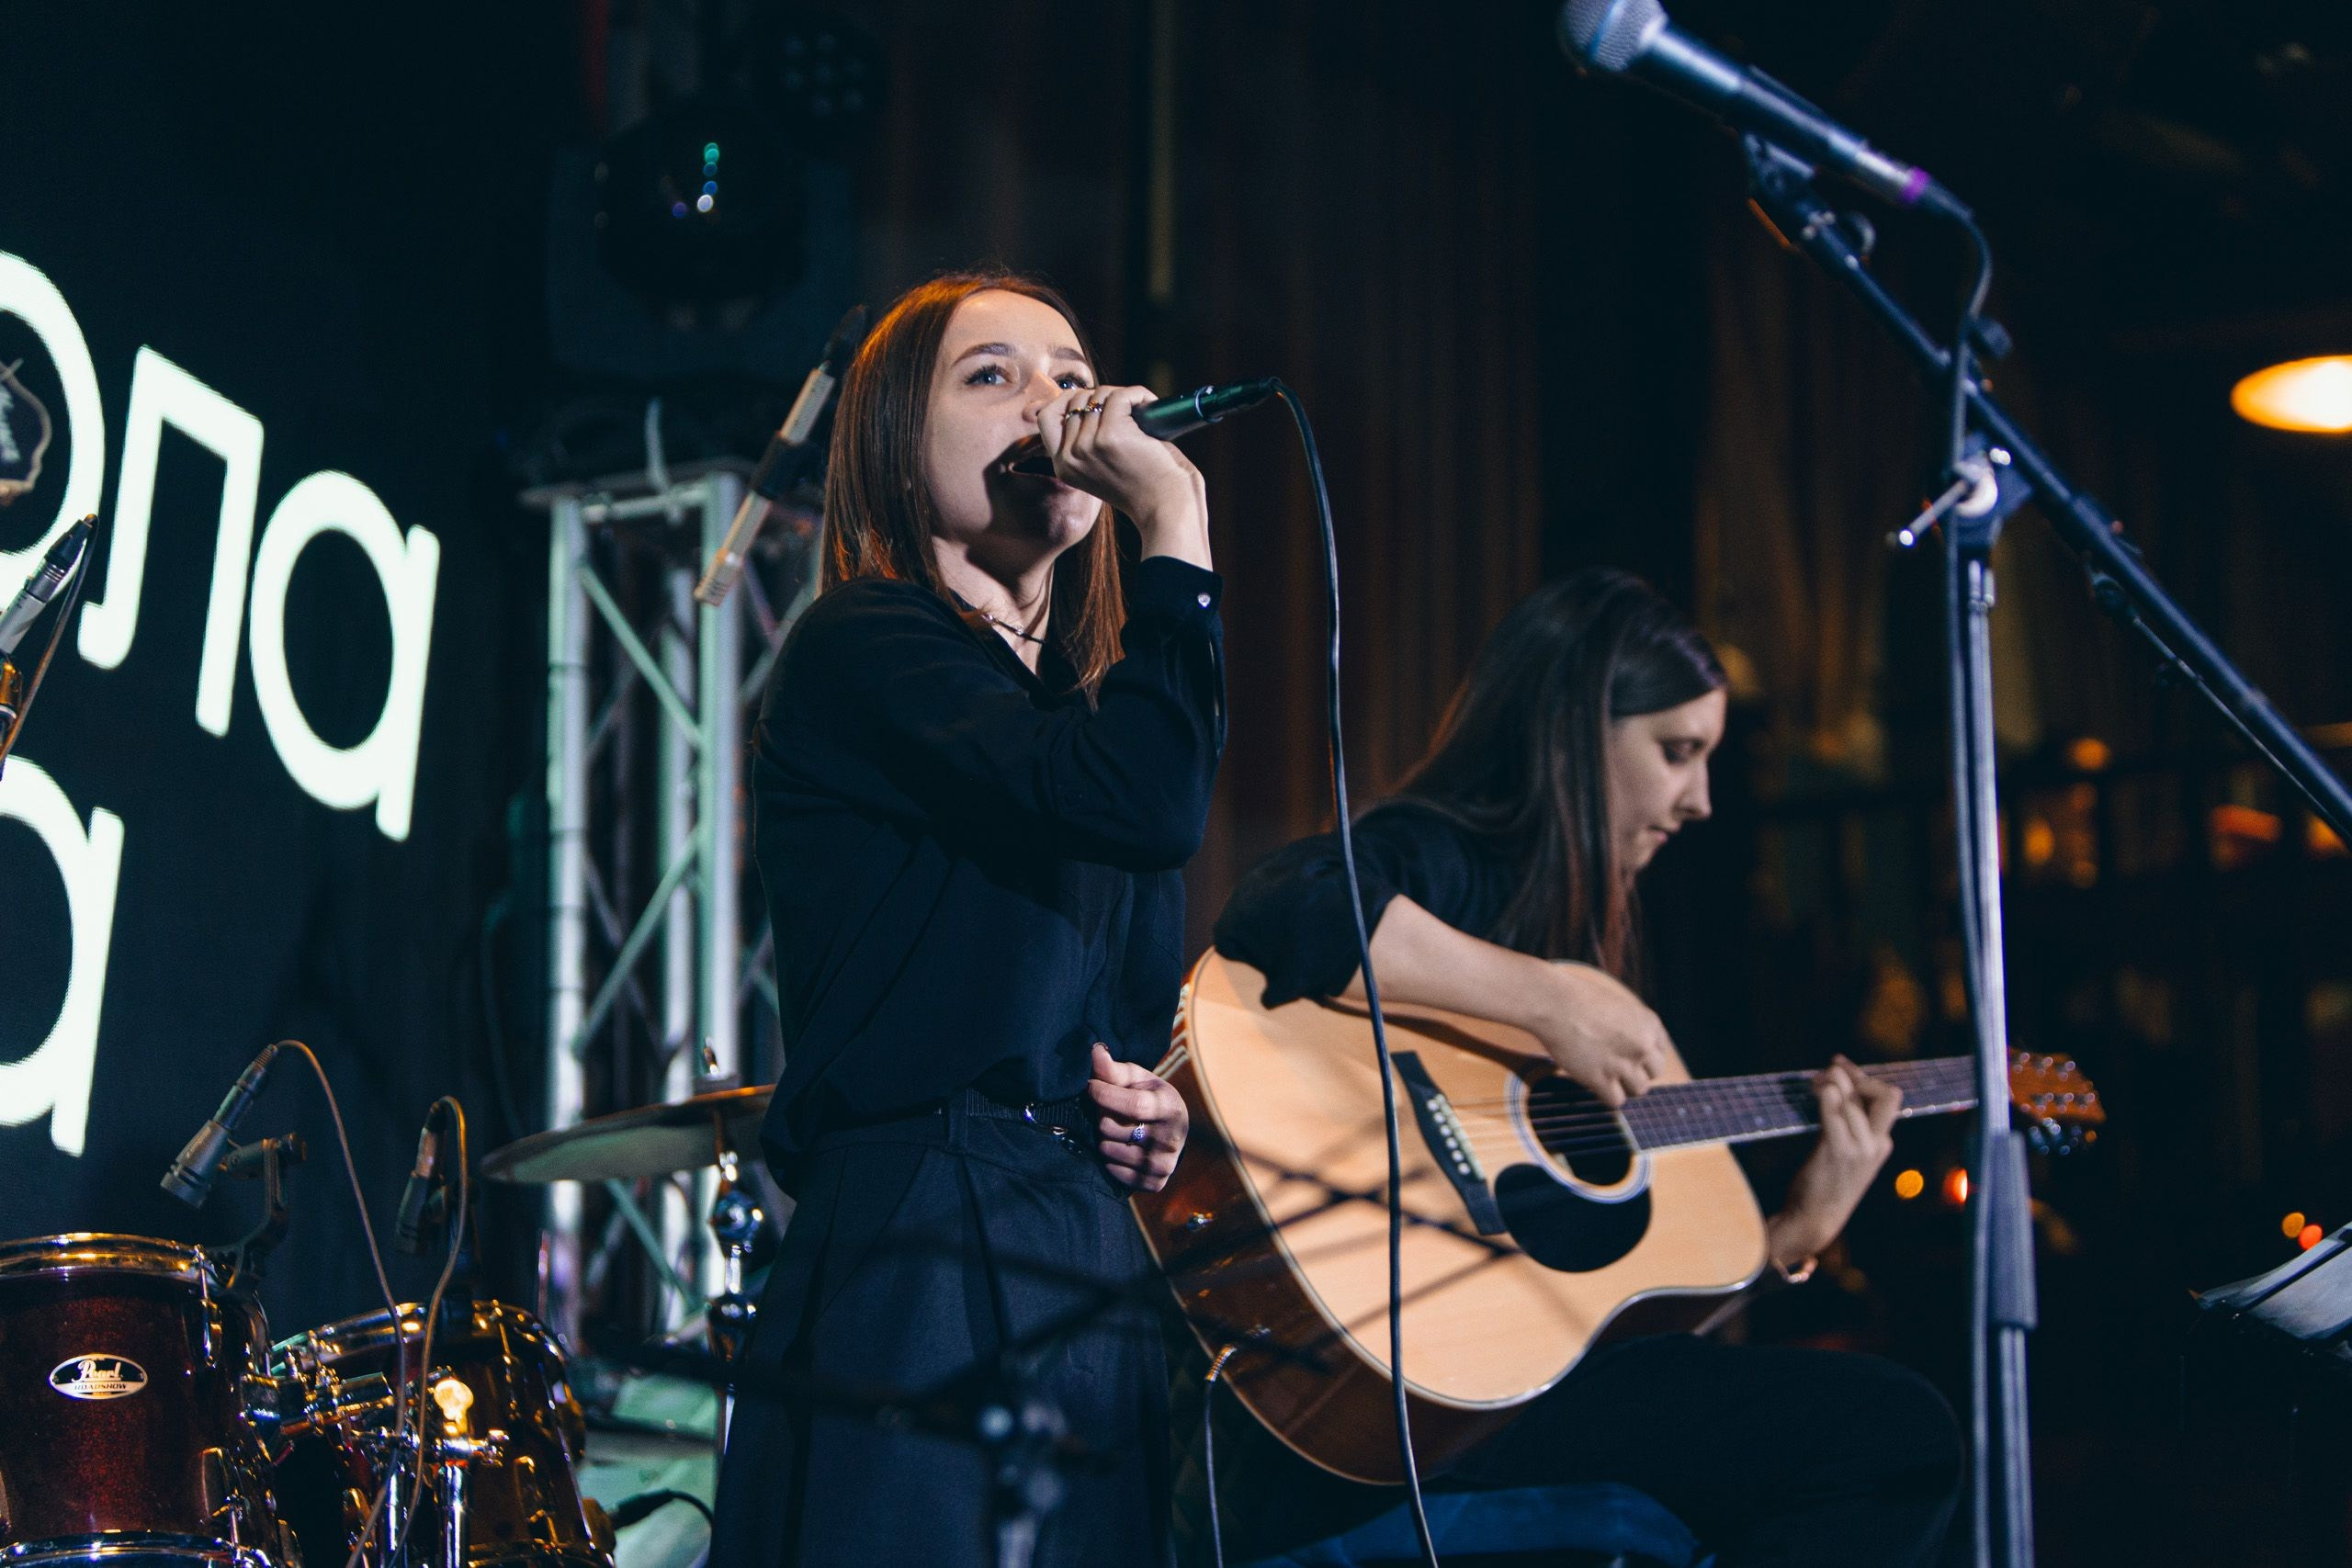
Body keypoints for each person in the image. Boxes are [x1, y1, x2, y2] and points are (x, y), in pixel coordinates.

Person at [1208, 569, 1962, 1567]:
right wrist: (1547, 998)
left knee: (1868, 1439)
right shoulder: (1452, 856)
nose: (1697, 802)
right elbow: (1282, 906)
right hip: (1382, 1402)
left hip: (1496, 1385)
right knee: (1892, 1436)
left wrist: (1795, 1232)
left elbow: (1616, 1323)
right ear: (1571, 730)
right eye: (1676, 752)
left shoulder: (1593, 947)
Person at [708, 271, 1222, 1568]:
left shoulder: (1079, 719)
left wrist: (1148, 1109)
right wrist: (1179, 513)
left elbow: (1120, 985)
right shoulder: (862, 646)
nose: (1053, 399)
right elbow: (1148, 802)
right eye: (991, 375)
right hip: (922, 1237)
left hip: (1083, 1249)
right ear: (894, 436)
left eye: (1067, 371)